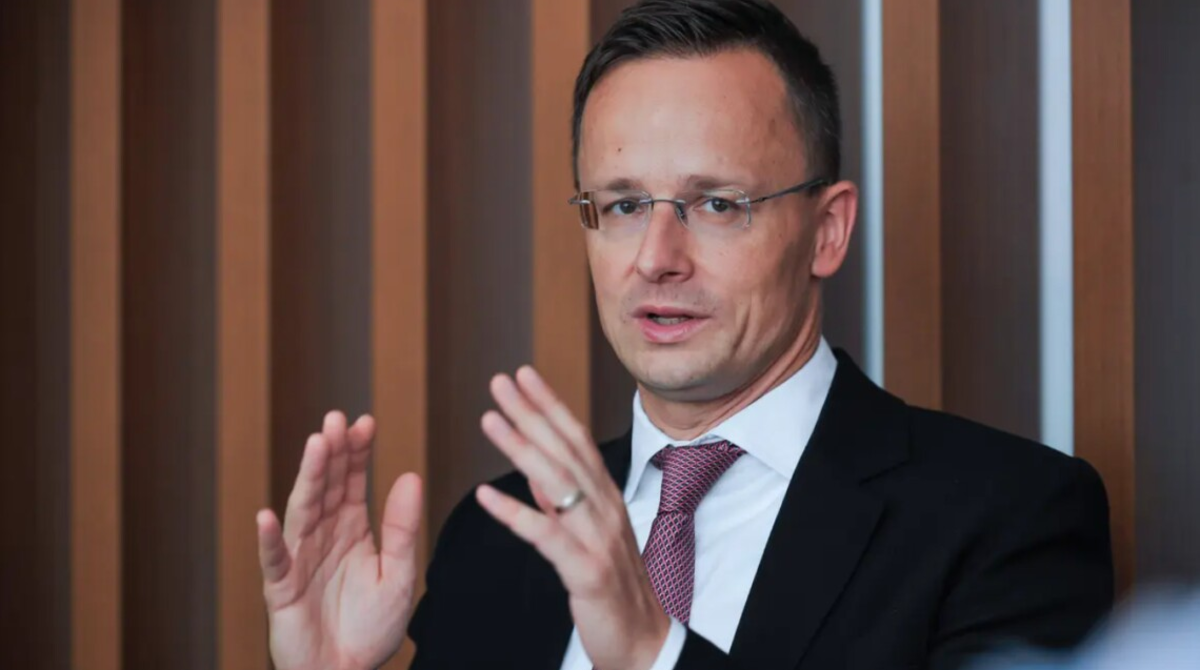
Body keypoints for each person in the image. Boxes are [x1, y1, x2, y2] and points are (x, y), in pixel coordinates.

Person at [256, 1, 1114, 669]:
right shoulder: (499, 537)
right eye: (625, 204)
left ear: (827, 231)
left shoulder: (1008, 518)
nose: (657, 259)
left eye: (717, 204)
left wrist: (652, 652)